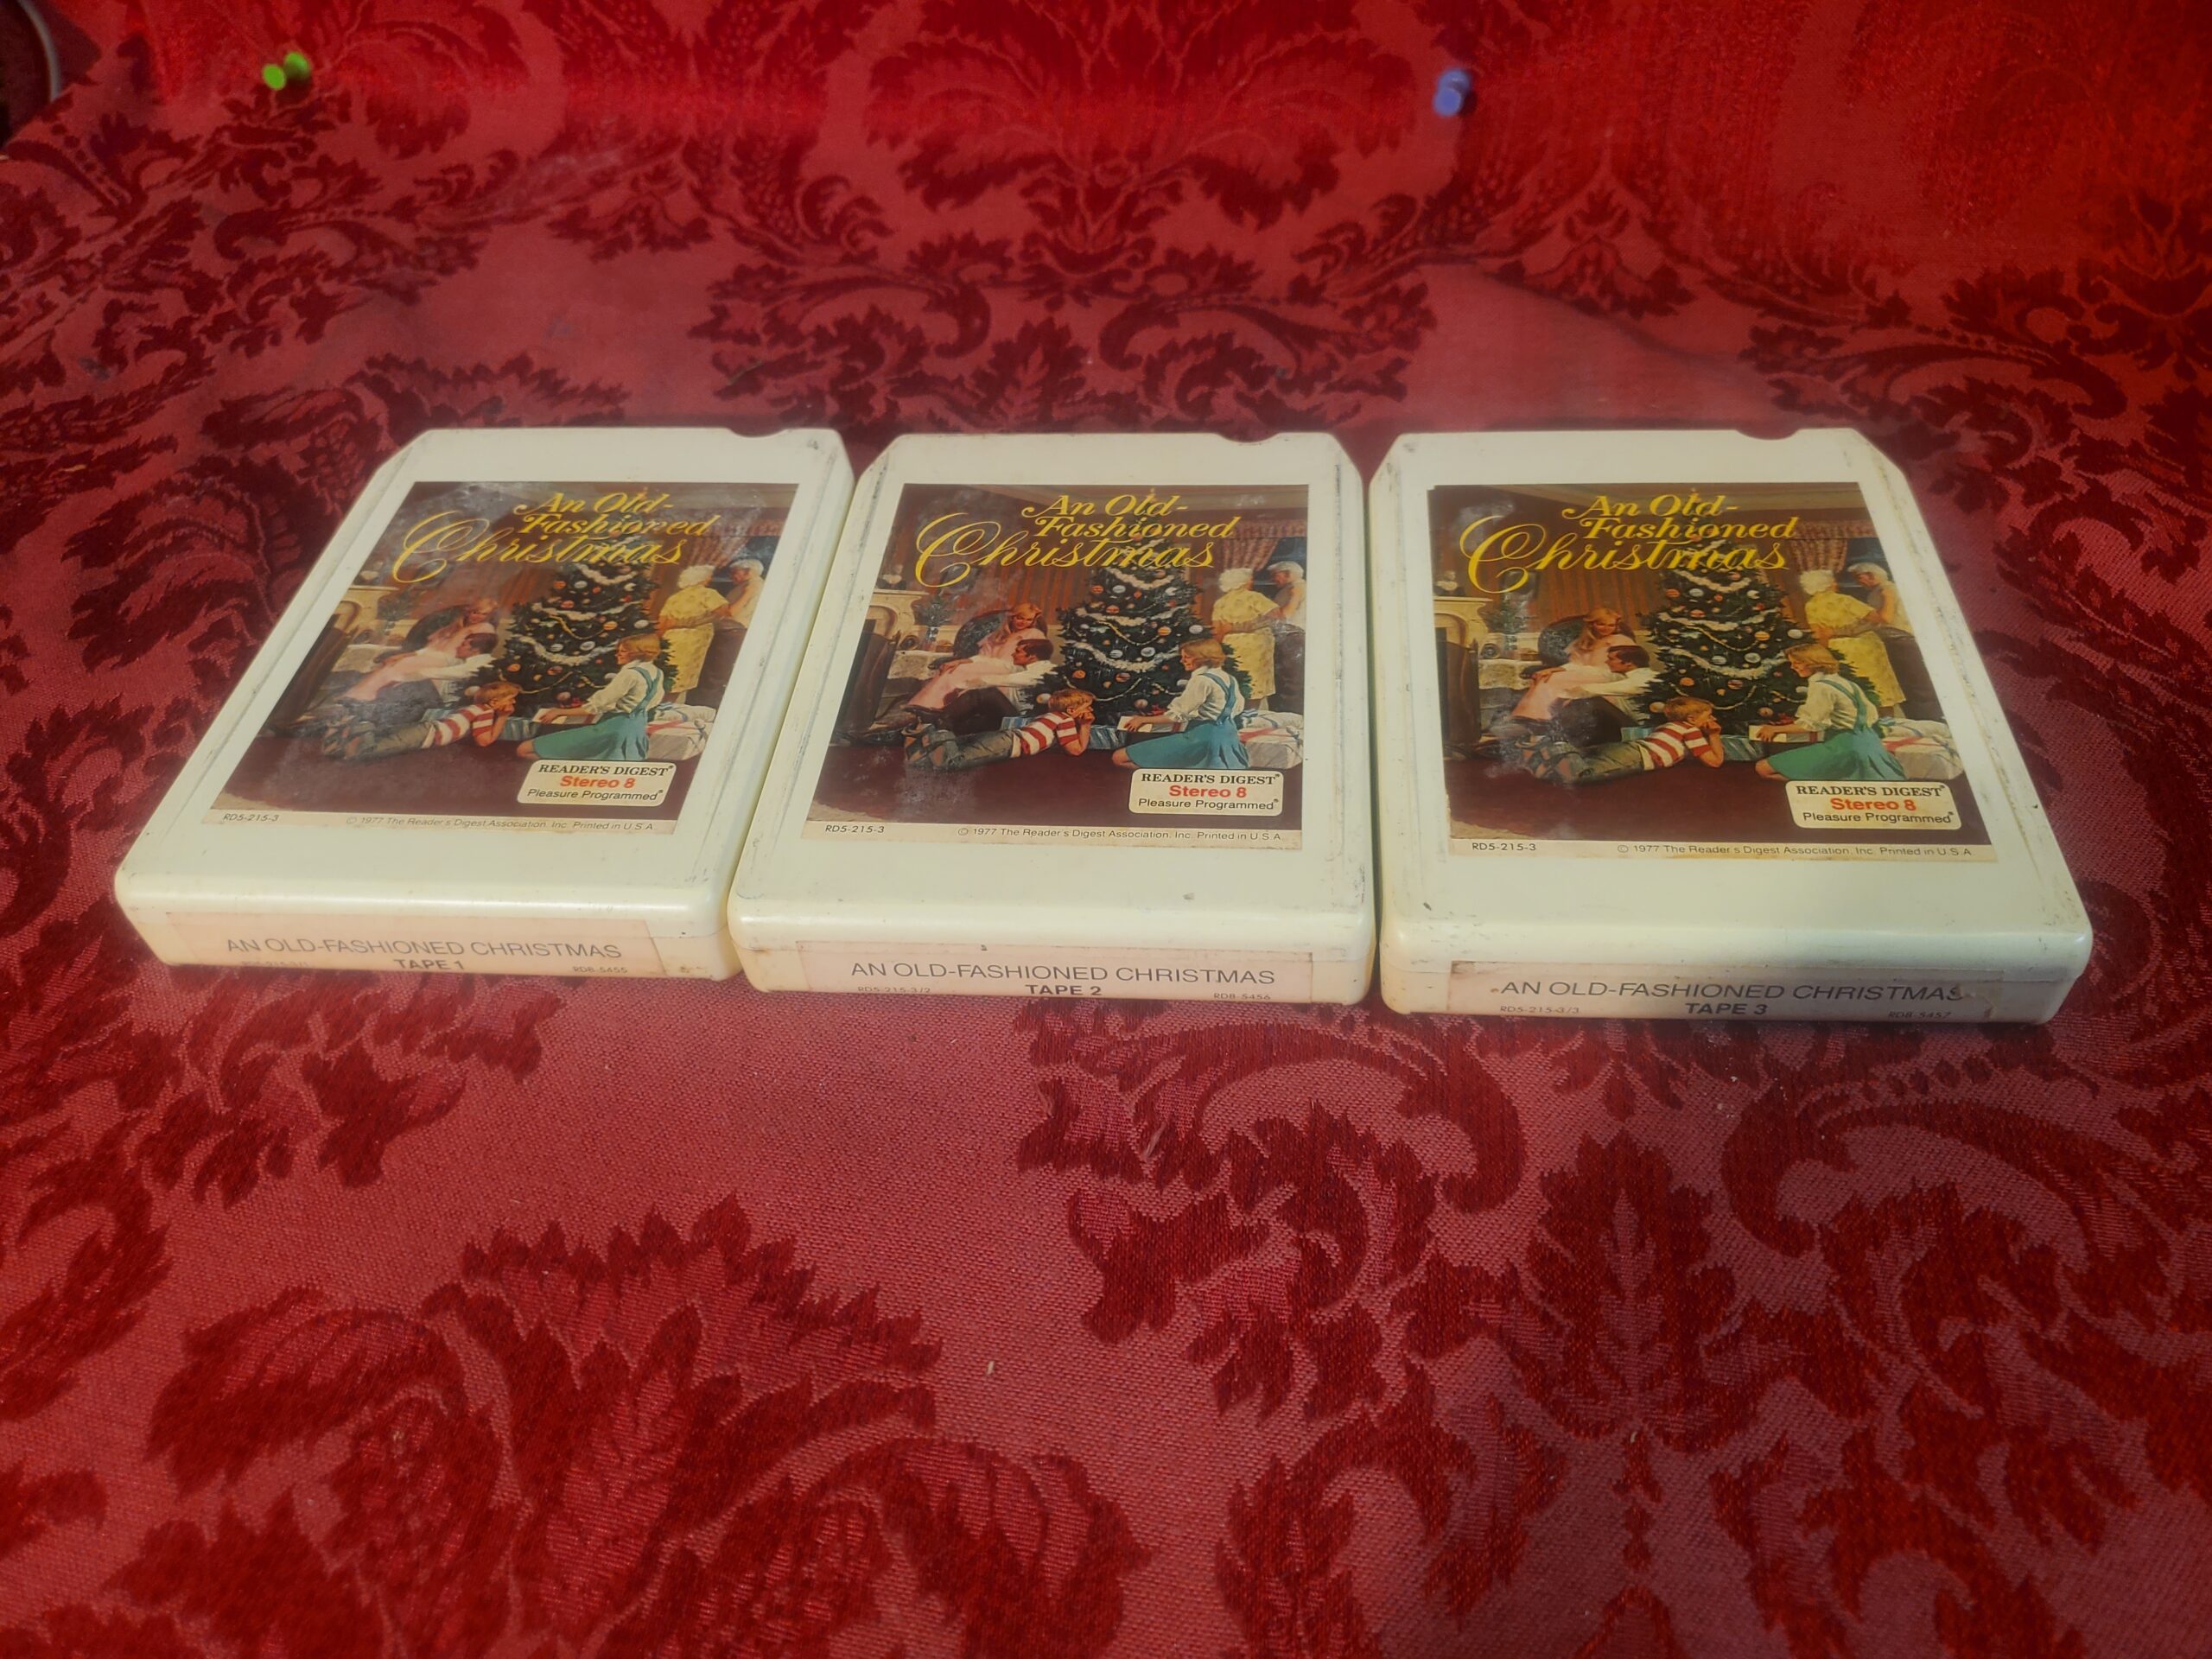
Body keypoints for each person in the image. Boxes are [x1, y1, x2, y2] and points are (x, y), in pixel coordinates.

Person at [1754, 644, 1905, 781]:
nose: (1793, 667)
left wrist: (1774, 729)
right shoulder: (1846, 683)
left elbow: (1812, 725)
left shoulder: (1821, 687)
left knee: (1763, 768)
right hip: (1871, 745)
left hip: (1844, 748)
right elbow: (1869, 716)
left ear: (1813, 662)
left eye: (1797, 663)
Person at [1504, 696, 1727, 785]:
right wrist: (1714, 735)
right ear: (1692, 719)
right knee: (1582, 775)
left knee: (1584, 757)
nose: (1713, 720)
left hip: (1629, 747)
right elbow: (1714, 762)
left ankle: (1540, 757)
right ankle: (1555, 743)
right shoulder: (1692, 731)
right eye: (1709, 716)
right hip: (1638, 756)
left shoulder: (1669, 726)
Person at [518, 633, 668, 762]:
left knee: (524, 750)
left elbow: (595, 706)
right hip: (635, 733)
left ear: (637, 653)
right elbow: (645, 703)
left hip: (611, 731)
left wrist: (559, 711)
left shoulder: (630, 673)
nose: (617, 654)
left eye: (623, 651)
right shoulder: (657, 672)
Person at [1115, 639, 1249, 770]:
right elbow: (1234, 709)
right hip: (1228, 738)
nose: (1182, 661)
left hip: (1201, 740)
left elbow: (1177, 715)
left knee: (1119, 758)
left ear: (1202, 658)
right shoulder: (1229, 678)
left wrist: (1142, 719)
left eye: (1187, 657)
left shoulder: (1201, 680)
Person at [874, 638, 1057, 733]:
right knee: (964, 724)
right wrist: (962, 661)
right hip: (1009, 713)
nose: (1013, 654)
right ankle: (924, 726)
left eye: (1018, 652)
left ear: (1032, 657)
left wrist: (964, 686)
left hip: (1023, 720)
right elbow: (994, 662)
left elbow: (998, 680)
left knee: (985, 693)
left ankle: (935, 718)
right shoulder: (1027, 666)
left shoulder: (1044, 671)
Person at [334, 683, 539, 761]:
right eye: (511, 700)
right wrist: (502, 717)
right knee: (379, 747)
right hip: (427, 735)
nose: (513, 703)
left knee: (385, 735)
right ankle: (360, 726)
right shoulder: (485, 713)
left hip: (426, 728)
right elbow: (484, 741)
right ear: (494, 703)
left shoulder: (473, 707)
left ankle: (343, 738)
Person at [906, 689, 1096, 772]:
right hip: (1010, 744)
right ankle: (939, 727)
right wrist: (1085, 725)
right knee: (954, 762)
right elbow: (1075, 751)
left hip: (1007, 736)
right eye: (1088, 708)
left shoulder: (1051, 716)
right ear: (1071, 711)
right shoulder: (1066, 721)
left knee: (958, 746)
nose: (1091, 711)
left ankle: (919, 744)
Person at [1799, 569, 1903, 715]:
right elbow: (1883, 618)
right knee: (1879, 688)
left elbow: (1818, 634)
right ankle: (1888, 720)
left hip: (1838, 650)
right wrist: (1888, 598)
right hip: (1863, 647)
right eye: (1833, 581)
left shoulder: (1810, 605)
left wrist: (1827, 655)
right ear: (1829, 584)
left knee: (1857, 689)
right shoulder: (1844, 600)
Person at [1846, 560, 1939, 716]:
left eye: (1859, 578)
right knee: (1907, 683)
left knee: (1915, 682)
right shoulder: (1878, 591)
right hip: (1895, 640)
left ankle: (1929, 717)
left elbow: (1884, 619)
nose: (1858, 582)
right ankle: (1920, 716)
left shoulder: (1887, 590)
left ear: (1871, 575)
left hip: (1900, 639)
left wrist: (1855, 630)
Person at [655, 566, 726, 701]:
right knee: (681, 678)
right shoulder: (708, 593)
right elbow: (722, 613)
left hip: (671, 639)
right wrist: (691, 622)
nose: (710, 579)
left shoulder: (675, 597)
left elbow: (661, 623)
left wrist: (658, 642)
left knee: (667, 674)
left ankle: (658, 705)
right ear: (703, 578)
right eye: (709, 576)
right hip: (692, 642)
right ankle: (667, 706)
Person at [1209, 569, 1277, 704]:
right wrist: (1243, 626)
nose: (1252, 581)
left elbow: (1216, 629)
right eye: (1250, 579)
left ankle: (1237, 711)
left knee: (1237, 679)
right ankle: (1252, 712)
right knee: (1255, 682)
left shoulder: (1221, 602)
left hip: (1231, 645)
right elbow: (1276, 616)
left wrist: (1218, 648)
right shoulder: (1254, 597)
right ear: (1243, 581)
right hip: (1255, 645)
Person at [723, 557, 766, 630]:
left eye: (734, 573)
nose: (730, 577)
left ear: (747, 572)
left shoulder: (751, 586)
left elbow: (731, 612)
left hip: (733, 628)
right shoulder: (756, 584)